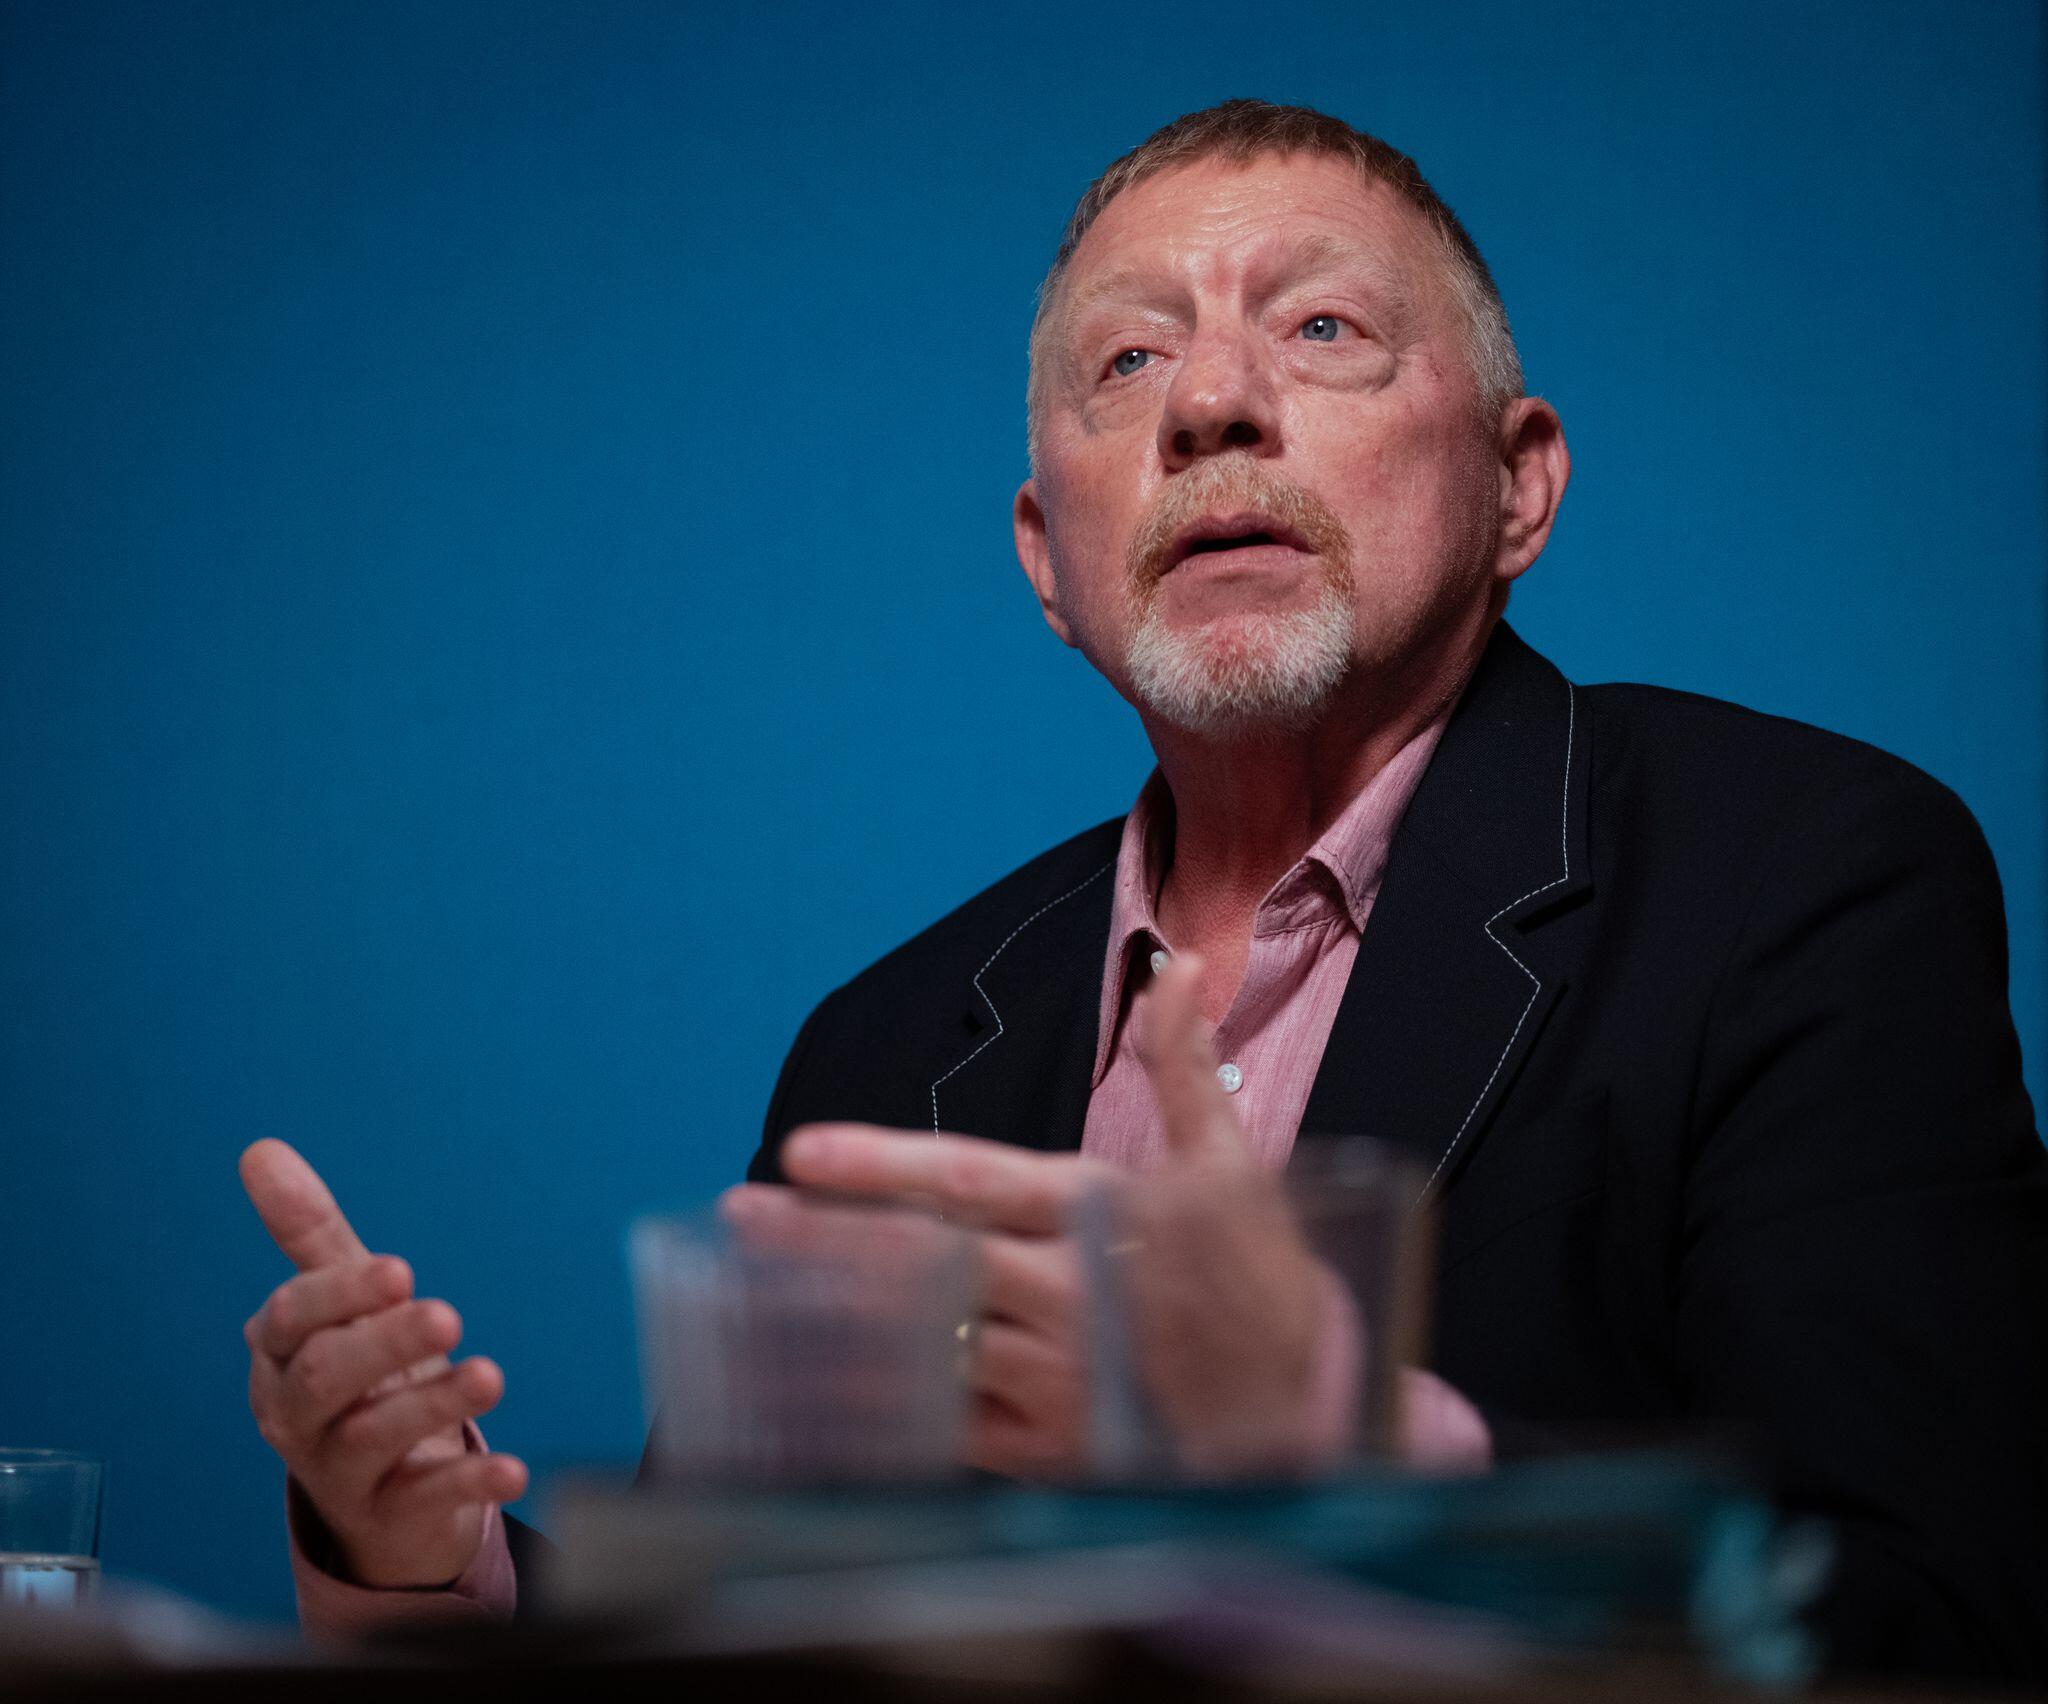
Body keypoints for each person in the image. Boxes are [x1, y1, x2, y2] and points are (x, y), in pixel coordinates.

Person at [239, 100, 2048, 1680]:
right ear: (1050, 558)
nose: (1209, 401)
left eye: (1323, 327)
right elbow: (735, 1651)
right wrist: (427, 1563)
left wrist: (1360, 1449)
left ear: (1519, 487)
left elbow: (1936, 1627)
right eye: (1126, 363)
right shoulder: (883, 1048)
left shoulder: (1804, 881)